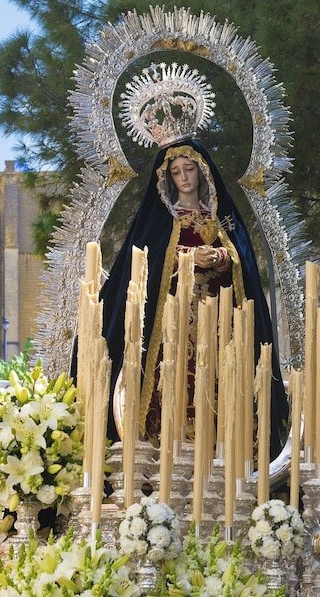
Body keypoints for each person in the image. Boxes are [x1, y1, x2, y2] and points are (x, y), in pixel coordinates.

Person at [96, 137, 290, 461]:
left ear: (202, 172)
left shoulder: (222, 219)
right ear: (168, 178)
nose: (184, 177)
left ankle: (223, 459)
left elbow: (243, 264)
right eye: (176, 172)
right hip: (171, 327)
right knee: (170, 389)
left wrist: (221, 258)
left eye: (189, 169)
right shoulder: (160, 220)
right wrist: (187, 258)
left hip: (217, 327)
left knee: (216, 388)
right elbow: (147, 262)